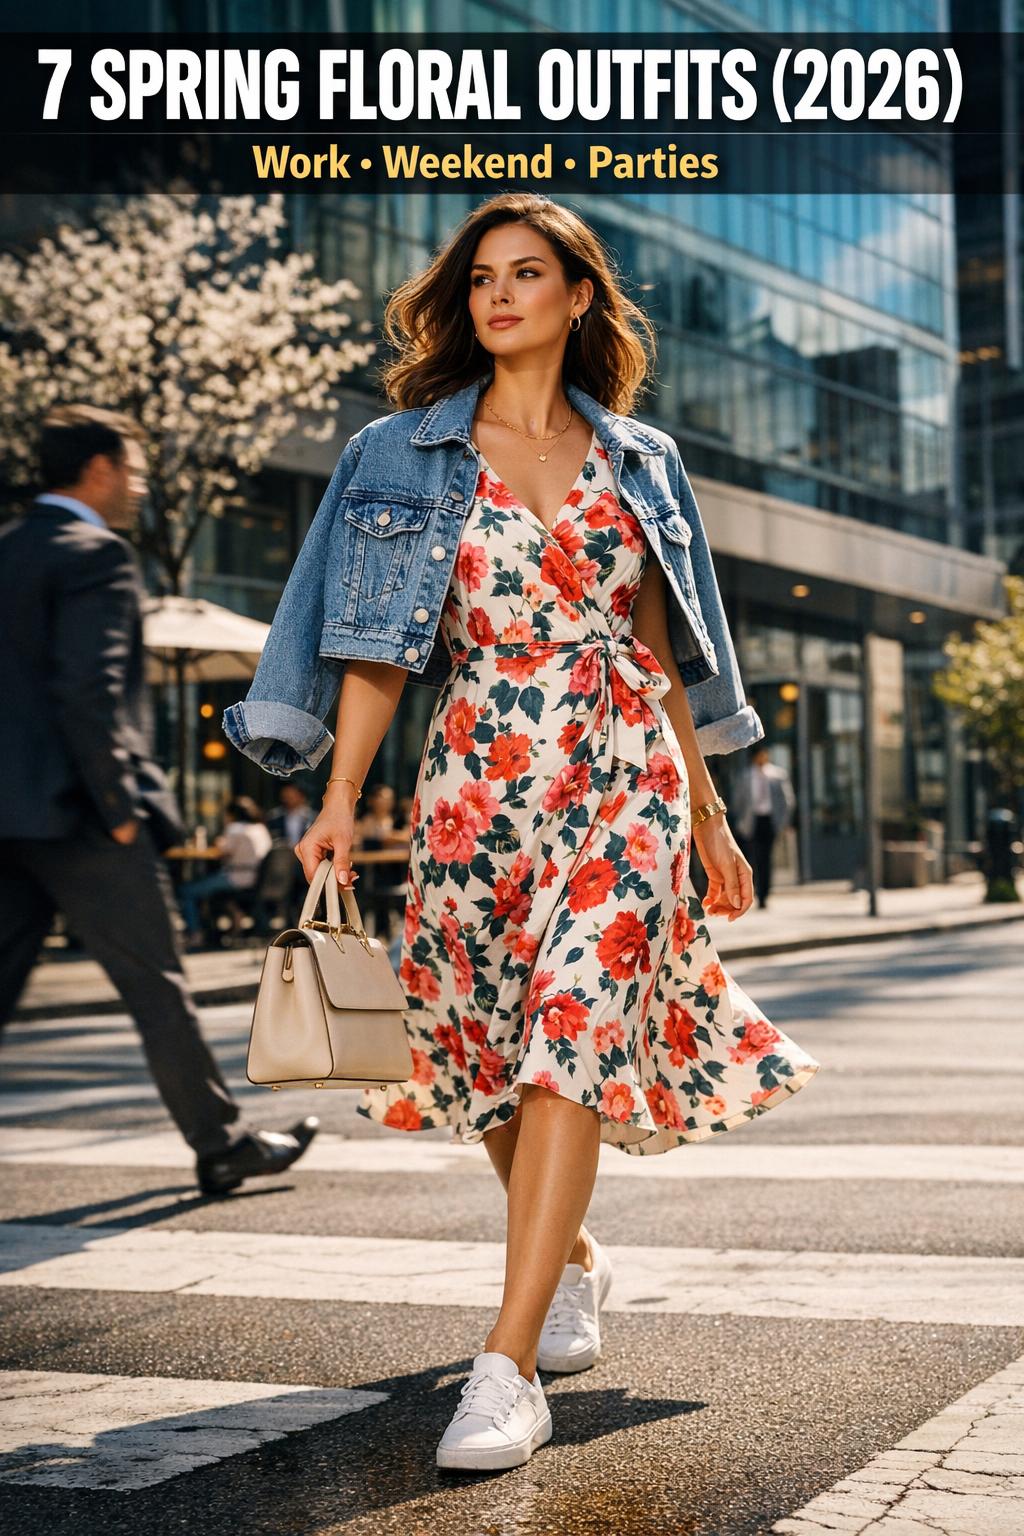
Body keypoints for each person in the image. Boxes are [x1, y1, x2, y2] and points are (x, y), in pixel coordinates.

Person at [225, 193, 821, 1470]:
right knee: (486, 1052)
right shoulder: (398, 452)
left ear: (576, 295)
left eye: (526, 272)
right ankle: (572, 1260)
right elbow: (372, 649)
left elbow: (658, 642)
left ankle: (505, 1368)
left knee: (569, 1033)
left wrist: (709, 812)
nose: (498, 295)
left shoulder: (641, 458)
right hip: (478, 780)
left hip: (624, 770)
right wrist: (338, 799)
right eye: (481, 277)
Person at [0, 404, 319, 1198]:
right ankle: (221, 1143)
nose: (140, 487)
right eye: (134, 470)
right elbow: (90, 693)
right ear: (98, 470)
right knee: (157, 985)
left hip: (9, 818)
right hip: (82, 817)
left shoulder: (9, 551)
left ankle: (221, 1140)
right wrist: (119, 809)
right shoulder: (96, 556)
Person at [177, 795, 273, 944]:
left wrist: (220, 841)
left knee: (187, 891)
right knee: (209, 889)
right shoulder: (261, 828)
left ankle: (195, 932)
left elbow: (222, 851)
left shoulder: (235, 828)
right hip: (259, 878)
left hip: (236, 877)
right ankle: (227, 919)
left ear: (231, 814)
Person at [731, 745, 796, 907]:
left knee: (766, 858)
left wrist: (782, 822)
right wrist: (740, 821)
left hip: (769, 821)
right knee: (752, 858)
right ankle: (754, 891)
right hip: (751, 822)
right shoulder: (745, 776)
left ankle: (764, 894)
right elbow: (738, 801)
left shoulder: (778, 775)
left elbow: (787, 801)